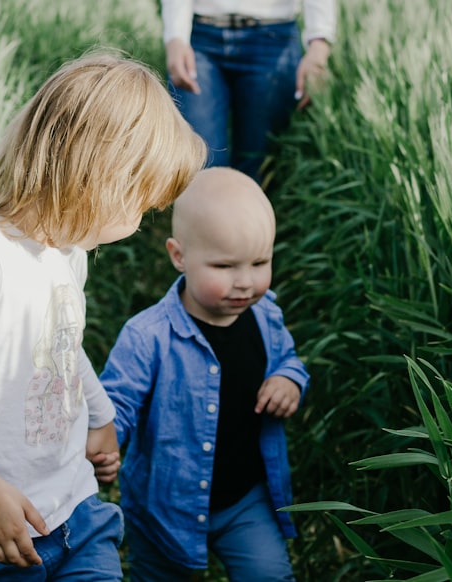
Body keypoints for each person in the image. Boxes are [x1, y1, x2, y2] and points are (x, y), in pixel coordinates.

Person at [0, 51, 207, 581]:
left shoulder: (66, 251)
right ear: (95, 179)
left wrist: (99, 415)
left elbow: (61, 343)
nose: (139, 223)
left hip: (76, 512)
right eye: (139, 205)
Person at [98, 166, 310, 581]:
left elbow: (288, 359)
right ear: (179, 256)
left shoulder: (266, 317)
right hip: (164, 506)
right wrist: (106, 443)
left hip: (246, 499)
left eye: (259, 262)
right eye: (225, 266)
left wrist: (289, 380)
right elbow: (117, 404)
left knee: (269, 575)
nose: (245, 282)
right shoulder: (147, 337)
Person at [162, 0, 337, 183]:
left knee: (257, 170)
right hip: (200, 37)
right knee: (197, 166)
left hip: (273, 39)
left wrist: (319, 44)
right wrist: (175, 36)